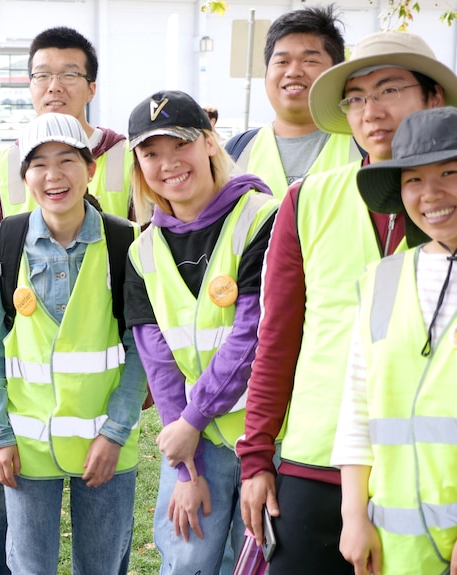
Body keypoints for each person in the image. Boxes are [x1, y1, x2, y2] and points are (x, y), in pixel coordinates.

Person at [236, 31, 457, 575]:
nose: (370, 112)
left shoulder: (445, 208)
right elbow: (277, 336)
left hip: (430, 477)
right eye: (355, 98)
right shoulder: (306, 198)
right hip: (316, 461)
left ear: (434, 99)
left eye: (388, 90)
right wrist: (258, 456)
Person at [0, 27, 136, 574]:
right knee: (30, 566)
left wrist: (115, 432)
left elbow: (141, 347)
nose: (53, 175)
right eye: (39, 164)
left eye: (68, 161)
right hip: (26, 444)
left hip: (107, 446)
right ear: (25, 177)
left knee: (102, 566)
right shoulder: (2, 243)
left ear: (90, 169)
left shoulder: (125, 242)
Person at [124, 90, 277, 575]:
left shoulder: (262, 217)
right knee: (186, 559)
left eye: (180, 145)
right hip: (197, 440)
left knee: (258, 562)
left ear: (210, 143)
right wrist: (185, 462)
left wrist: (190, 422)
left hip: (267, 436)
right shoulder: (141, 251)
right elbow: (158, 360)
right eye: (151, 153)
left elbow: (252, 336)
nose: (167, 163)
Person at [332, 106, 457, 575]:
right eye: (413, 180)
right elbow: (358, 408)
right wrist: (353, 515)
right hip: (394, 544)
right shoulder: (381, 279)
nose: (432, 195)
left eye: (450, 172)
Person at [223, 5, 361, 198]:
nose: (293, 72)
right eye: (282, 62)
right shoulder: (233, 153)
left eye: (309, 61)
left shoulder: (366, 146)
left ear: (336, 74)